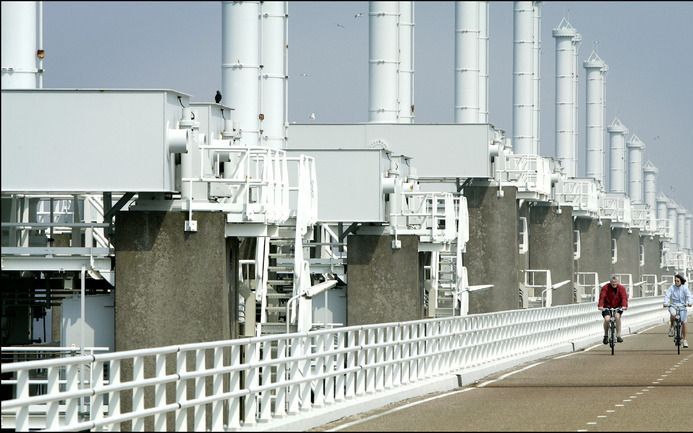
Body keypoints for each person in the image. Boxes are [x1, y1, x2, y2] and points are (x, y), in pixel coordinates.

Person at [663, 273, 693, 348]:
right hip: (673, 305)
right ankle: (672, 327)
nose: (676, 282)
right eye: (675, 281)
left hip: (683, 306)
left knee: (684, 322)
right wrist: (666, 303)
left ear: (681, 281)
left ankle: (685, 340)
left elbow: (689, 296)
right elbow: (667, 295)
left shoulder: (685, 288)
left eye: (677, 281)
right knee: (673, 314)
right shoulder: (672, 288)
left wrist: (690, 303)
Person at [598, 275, 629, 344]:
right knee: (607, 319)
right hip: (607, 306)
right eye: (612, 282)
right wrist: (600, 306)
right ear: (610, 282)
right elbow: (602, 297)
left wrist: (624, 306)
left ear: (618, 282)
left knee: (617, 316)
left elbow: (624, 298)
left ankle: (618, 336)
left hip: (618, 306)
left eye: (615, 282)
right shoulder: (605, 288)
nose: (614, 283)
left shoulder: (621, 288)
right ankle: (606, 335)